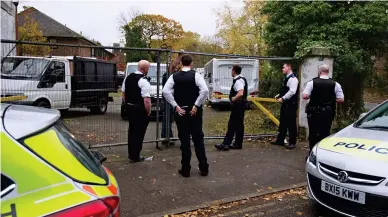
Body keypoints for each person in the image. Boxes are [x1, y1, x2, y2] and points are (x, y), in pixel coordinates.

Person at [162, 54, 209, 177]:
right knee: (198, 139)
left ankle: (186, 169)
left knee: (184, 141)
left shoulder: (174, 77)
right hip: (195, 112)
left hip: (181, 111)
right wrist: (196, 105)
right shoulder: (196, 75)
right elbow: (204, 90)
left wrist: (175, 105)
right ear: (191, 63)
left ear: (181, 63)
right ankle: (204, 167)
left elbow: (165, 91)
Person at [302, 64, 344, 153]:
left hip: (314, 112)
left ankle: (312, 152)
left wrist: (314, 96)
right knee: (325, 132)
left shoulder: (312, 82)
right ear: (328, 72)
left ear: (319, 72)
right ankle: (322, 152)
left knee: (313, 132)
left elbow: (305, 96)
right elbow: (341, 99)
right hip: (327, 113)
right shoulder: (335, 84)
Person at [123, 60, 151, 163]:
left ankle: (131, 155)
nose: (148, 70)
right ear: (145, 69)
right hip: (139, 109)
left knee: (132, 132)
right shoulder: (143, 81)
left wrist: (127, 103)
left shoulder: (128, 77)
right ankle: (136, 156)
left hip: (130, 108)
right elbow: (146, 99)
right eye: (148, 68)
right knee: (139, 133)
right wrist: (148, 111)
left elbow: (123, 92)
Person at [215, 65, 248, 151]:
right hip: (241, 105)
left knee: (232, 125)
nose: (231, 72)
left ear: (234, 71)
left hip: (238, 105)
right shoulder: (242, 78)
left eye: (231, 70)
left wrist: (233, 99)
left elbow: (240, 93)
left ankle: (226, 144)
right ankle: (237, 143)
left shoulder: (238, 81)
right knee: (239, 125)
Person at [271, 63, 299, 149]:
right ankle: (280, 140)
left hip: (290, 104)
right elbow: (286, 89)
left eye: (284, 67)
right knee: (283, 122)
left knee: (291, 124)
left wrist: (283, 98)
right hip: (286, 104)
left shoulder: (293, 79)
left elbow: (292, 91)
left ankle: (292, 142)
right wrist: (279, 95)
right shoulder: (287, 78)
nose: (282, 69)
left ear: (289, 67)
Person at [161, 54, 183, 146]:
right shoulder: (168, 76)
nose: (175, 69)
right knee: (167, 119)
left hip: (172, 100)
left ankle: (168, 137)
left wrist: (179, 57)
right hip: (168, 101)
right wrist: (179, 57)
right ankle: (166, 138)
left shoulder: (170, 75)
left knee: (169, 119)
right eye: (173, 68)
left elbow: (174, 65)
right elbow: (173, 65)